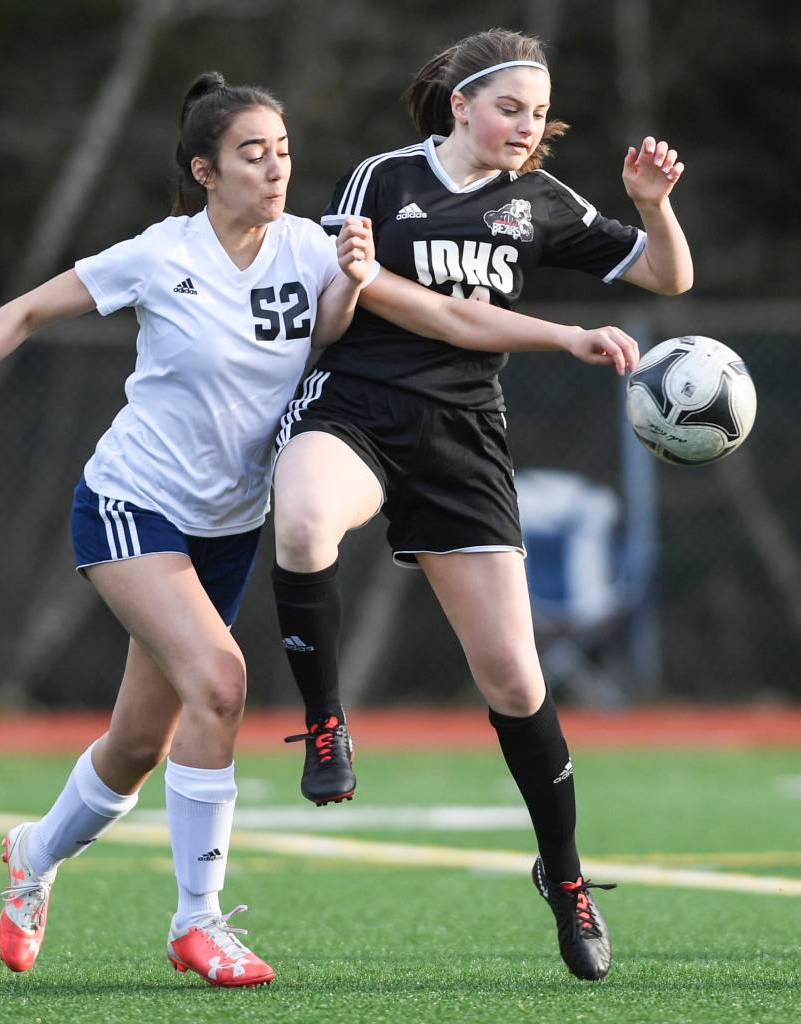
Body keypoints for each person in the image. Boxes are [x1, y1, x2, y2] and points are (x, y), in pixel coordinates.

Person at [0, 71, 385, 988]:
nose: (275, 168)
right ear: (205, 170)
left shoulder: (314, 249)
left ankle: (33, 856)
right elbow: (27, 310)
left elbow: (323, 340)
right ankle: (198, 923)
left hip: (229, 527)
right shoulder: (162, 254)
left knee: (136, 748)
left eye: (282, 150)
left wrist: (351, 286)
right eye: (251, 153)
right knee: (224, 682)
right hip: (131, 503)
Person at [270, 27, 691, 983]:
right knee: (301, 519)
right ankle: (326, 720)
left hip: (464, 440)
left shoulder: (541, 201)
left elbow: (670, 277)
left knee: (515, 680)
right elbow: (385, 309)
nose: (525, 126)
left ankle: (569, 878)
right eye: (509, 107)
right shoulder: (383, 178)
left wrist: (653, 210)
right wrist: (563, 334)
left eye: (539, 113)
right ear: (461, 104)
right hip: (360, 409)